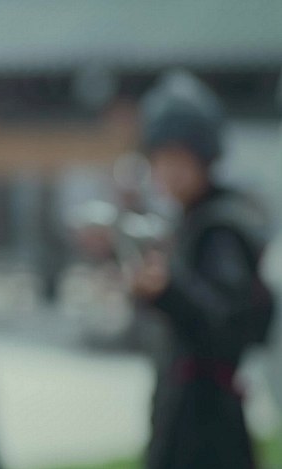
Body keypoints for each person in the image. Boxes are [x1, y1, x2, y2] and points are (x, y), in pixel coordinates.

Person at [130, 71, 275, 469]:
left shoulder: (220, 230)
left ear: (205, 157)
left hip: (209, 424)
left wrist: (168, 290)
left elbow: (224, 323)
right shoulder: (188, 222)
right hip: (184, 414)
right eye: (163, 158)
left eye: (181, 158)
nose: (170, 170)